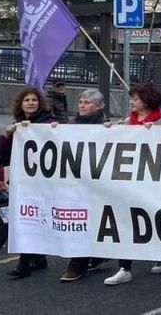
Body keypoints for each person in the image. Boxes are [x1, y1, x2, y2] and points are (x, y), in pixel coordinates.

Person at [104, 82, 161, 286]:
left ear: (146, 100)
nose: (132, 102)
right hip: (129, 183)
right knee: (125, 221)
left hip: (153, 182)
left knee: (155, 218)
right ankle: (125, 267)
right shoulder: (128, 122)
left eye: (135, 98)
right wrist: (108, 129)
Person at [0, 88, 56, 279]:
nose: (30, 103)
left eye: (33, 100)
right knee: (26, 219)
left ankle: (24, 263)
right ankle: (37, 258)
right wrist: (7, 135)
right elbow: (4, 156)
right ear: (21, 104)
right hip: (22, 181)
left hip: (42, 181)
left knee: (33, 218)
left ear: (39, 103)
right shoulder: (17, 125)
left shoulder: (48, 122)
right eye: (26, 100)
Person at [57, 89, 109, 282]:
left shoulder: (106, 126)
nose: (81, 105)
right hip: (76, 182)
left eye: (87, 102)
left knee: (94, 219)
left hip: (97, 182)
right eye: (80, 101)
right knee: (80, 220)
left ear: (99, 106)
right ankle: (80, 262)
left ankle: (84, 262)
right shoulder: (71, 124)